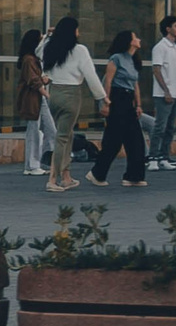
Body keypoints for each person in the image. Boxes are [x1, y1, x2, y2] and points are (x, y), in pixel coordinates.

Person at [40, 17, 107, 194]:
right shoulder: (80, 50)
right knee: (62, 137)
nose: (79, 33)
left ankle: (67, 177)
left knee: (67, 135)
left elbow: (39, 54)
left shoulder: (51, 48)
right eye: (77, 29)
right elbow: (91, 76)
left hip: (54, 94)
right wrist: (102, 97)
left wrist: (47, 38)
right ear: (72, 31)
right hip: (71, 95)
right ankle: (52, 180)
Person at [90, 28, 149, 188]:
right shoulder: (116, 58)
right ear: (129, 41)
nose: (139, 40)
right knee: (114, 141)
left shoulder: (134, 60)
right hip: (116, 98)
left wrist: (138, 105)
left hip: (128, 99)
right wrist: (106, 102)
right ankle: (97, 173)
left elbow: (135, 84)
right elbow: (108, 80)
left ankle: (134, 176)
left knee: (136, 140)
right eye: (135, 37)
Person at [149, 15, 176, 171]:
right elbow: (156, 70)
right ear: (168, 29)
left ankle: (164, 157)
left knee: (171, 127)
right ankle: (152, 158)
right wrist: (166, 91)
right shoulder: (160, 47)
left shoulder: (175, 48)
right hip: (164, 95)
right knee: (160, 127)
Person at [17, 29, 54, 177]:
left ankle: (43, 159)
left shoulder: (34, 58)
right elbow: (33, 80)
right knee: (34, 131)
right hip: (33, 98)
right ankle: (32, 166)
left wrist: (49, 34)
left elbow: (43, 41)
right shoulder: (29, 60)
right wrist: (46, 92)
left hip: (39, 98)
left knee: (50, 129)